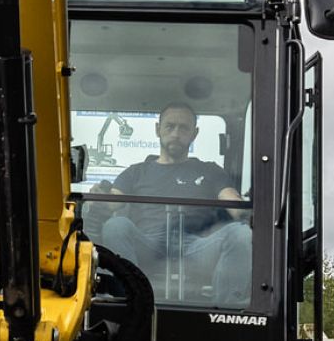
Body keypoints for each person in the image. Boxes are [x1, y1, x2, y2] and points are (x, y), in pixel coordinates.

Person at [90, 102, 251, 305]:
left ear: (195, 133)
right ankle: (128, 303)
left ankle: (227, 313)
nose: (176, 133)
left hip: (196, 246)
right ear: (158, 129)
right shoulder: (136, 172)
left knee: (241, 233)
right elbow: (111, 202)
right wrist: (99, 196)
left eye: (184, 128)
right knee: (116, 225)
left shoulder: (210, 171)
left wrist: (245, 211)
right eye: (170, 126)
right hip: (148, 245)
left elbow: (232, 201)